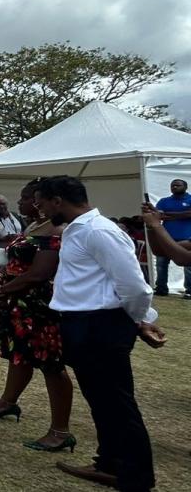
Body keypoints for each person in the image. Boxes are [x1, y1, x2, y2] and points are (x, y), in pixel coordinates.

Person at [34, 176, 164, 492]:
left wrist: (142, 319)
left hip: (101, 326)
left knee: (117, 403)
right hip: (83, 324)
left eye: (42, 202)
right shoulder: (79, 230)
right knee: (100, 401)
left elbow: (133, 285)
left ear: (57, 200)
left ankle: (135, 476)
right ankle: (109, 463)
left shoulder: (99, 231)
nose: (39, 209)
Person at [0, 180, 75, 453]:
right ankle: (8, 402)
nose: (18, 203)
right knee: (19, 355)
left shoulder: (56, 230)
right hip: (18, 303)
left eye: (24, 198)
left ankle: (60, 430)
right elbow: (16, 262)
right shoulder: (32, 226)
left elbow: (40, 272)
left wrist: (4, 289)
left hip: (40, 307)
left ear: (39, 201)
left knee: (50, 364)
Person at [153, 178, 191, 297]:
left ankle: (189, 290)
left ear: (185, 187)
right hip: (167, 238)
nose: (174, 187)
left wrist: (169, 214)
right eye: (172, 185)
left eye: (177, 185)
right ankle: (161, 289)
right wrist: (183, 214)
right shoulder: (164, 201)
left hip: (187, 238)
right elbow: (158, 215)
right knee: (161, 263)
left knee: (188, 265)